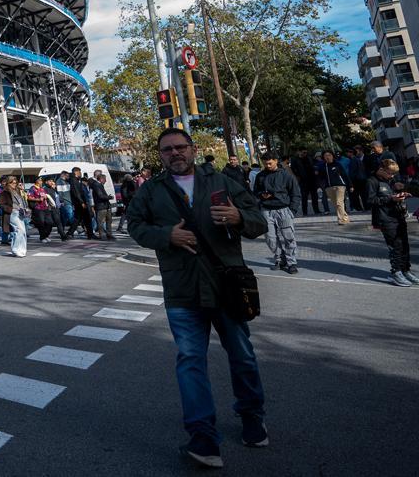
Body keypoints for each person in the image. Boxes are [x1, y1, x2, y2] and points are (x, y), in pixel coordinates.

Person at [127, 128, 269, 468]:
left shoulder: (222, 181)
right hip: (182, 290)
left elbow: (258, 221)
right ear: (159, 156)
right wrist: (166, 235)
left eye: (180, 147)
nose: (174, 153)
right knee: (190, 361)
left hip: (226, 284)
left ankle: (251, 415)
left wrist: (239, 217)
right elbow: (134, 225)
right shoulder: (152, 191)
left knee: (243, 355)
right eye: (167, 150)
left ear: (193, 150)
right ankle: (203, 437)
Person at [364, 159, 417, 286]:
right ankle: (396, 272)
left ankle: (406, 270)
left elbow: (392, 194)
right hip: (385, 218)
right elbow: (370, 201)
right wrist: (390, 198)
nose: (392, 176)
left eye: (393, 174)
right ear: (381, 170)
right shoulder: (371, 181)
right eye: (390, 173)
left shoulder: (390, 181)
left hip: (398, 216)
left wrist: (400, 193)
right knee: (395, 246)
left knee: (404, 244)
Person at [254, 153, 302, 273]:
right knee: (270, 238)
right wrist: (261, 196)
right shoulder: (260, 176)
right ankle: (280, 260)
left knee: (289, 237)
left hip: (284, 210)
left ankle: (292, 263)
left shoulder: (286, 175)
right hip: (266, 210)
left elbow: (295, 193)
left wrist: (292, 210)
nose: (268, 165)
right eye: (265, 164)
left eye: (270, 163)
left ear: (276, 161)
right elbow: (255, 192)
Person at [317, 150, 351, 225]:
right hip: (328, 187)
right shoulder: (322, 166)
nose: (327, 157)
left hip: (340, 186)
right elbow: (320, 177)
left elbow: (344, 175)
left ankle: (341, 219)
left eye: (329, 155)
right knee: (336, 204)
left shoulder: (337, 164)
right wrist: (320, 186)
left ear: (332, 155)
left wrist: (350, 185)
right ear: (323, 157)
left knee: (339, 202)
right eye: (325, 155)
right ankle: (345, 217)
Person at [4, 176, 29, 257]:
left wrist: (22, 190)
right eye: (12, 183)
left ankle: (22, 249)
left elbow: (24, 201)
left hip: (20, 212)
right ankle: (15, 249)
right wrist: (10, 209)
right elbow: (2, 204)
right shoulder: (6, 191)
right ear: (8, 183)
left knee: (23, 232)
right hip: (13, 213)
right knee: (18, 231)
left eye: (15, 183)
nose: (14, 184)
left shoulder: (17, 191)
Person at [89, 170, 115, 240]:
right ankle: (102, 235)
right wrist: (109, 197)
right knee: (100, 222)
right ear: (101, 179)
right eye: (105, 179)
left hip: (105, 205)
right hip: (101, 206)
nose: (106, 181)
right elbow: (100, 196)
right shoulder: (96, 185)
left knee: (109, 220)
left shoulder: (99, 185)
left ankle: (109, 234)